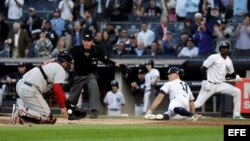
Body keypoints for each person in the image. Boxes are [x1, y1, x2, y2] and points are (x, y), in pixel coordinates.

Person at [11, 50, 73, 125]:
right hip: (31, 89)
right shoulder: (60, 69)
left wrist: (67, 105)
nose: (68, 65)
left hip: (21, 85)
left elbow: (59, 90)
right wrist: (63, 107)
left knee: (41, 114)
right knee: (47, 117)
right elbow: (57, 89)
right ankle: (20, 111)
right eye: (68, 63)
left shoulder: (50, 63)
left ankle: (24, 118)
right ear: (64, 62)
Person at [68, 32, 120, 119]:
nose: (86, 42)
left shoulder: (97, 50)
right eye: (85, 40)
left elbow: (105, 60)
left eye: (89, 40)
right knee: (73, 95)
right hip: (78, 75)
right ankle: (68, 109)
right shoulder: (75, 50)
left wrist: (115, 64)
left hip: (90, 74)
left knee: (94, 86)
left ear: (92, 42)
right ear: (82, 41)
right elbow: (65, 57)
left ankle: (94, 111)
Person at [194, 41, 245, 119]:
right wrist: (205, 81)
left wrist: (237, 77)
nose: (224, 50)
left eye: (225, 48)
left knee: (237, 91)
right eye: (222, 48)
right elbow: (203, 68)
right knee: (198, 104)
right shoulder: (213, 57)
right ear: (220, 49)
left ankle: (236, 115)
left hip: (220, 84)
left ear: (228, 50)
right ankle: (178, 110)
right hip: (209, 84)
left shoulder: (229, 60)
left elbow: (231, 73)